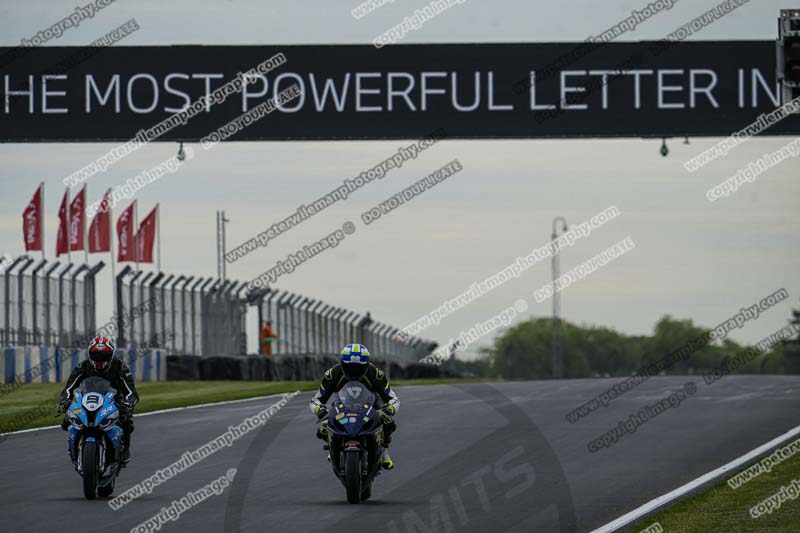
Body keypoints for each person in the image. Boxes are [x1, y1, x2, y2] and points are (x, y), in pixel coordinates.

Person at [309, 343, 399, 470]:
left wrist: (389, 408)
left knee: (388, 421)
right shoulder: (333, 373)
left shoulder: (376, 373)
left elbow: (393, 398)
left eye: (358, 368)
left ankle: (384, 449)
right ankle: (333, 445)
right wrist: (319, 409)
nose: (354, 372)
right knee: (323, 426)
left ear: (366, 365)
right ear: (342, 364)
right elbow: (316, 399)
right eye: (350, 368)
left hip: (371, 402)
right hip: (342, 403)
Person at [58, 336, 138, 464]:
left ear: (111, 355)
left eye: (104, 356)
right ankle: (73, 448)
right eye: (96, 355)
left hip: (113, 402)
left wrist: (128, 404)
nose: (99, 360)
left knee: (127, 420)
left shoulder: (120, 367)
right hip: (86, 400)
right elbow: (69, 388)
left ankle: (125, 450)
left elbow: (131, 392)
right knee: (67, 420)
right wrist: (64, 401)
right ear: (90, 354)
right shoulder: (82, 367)